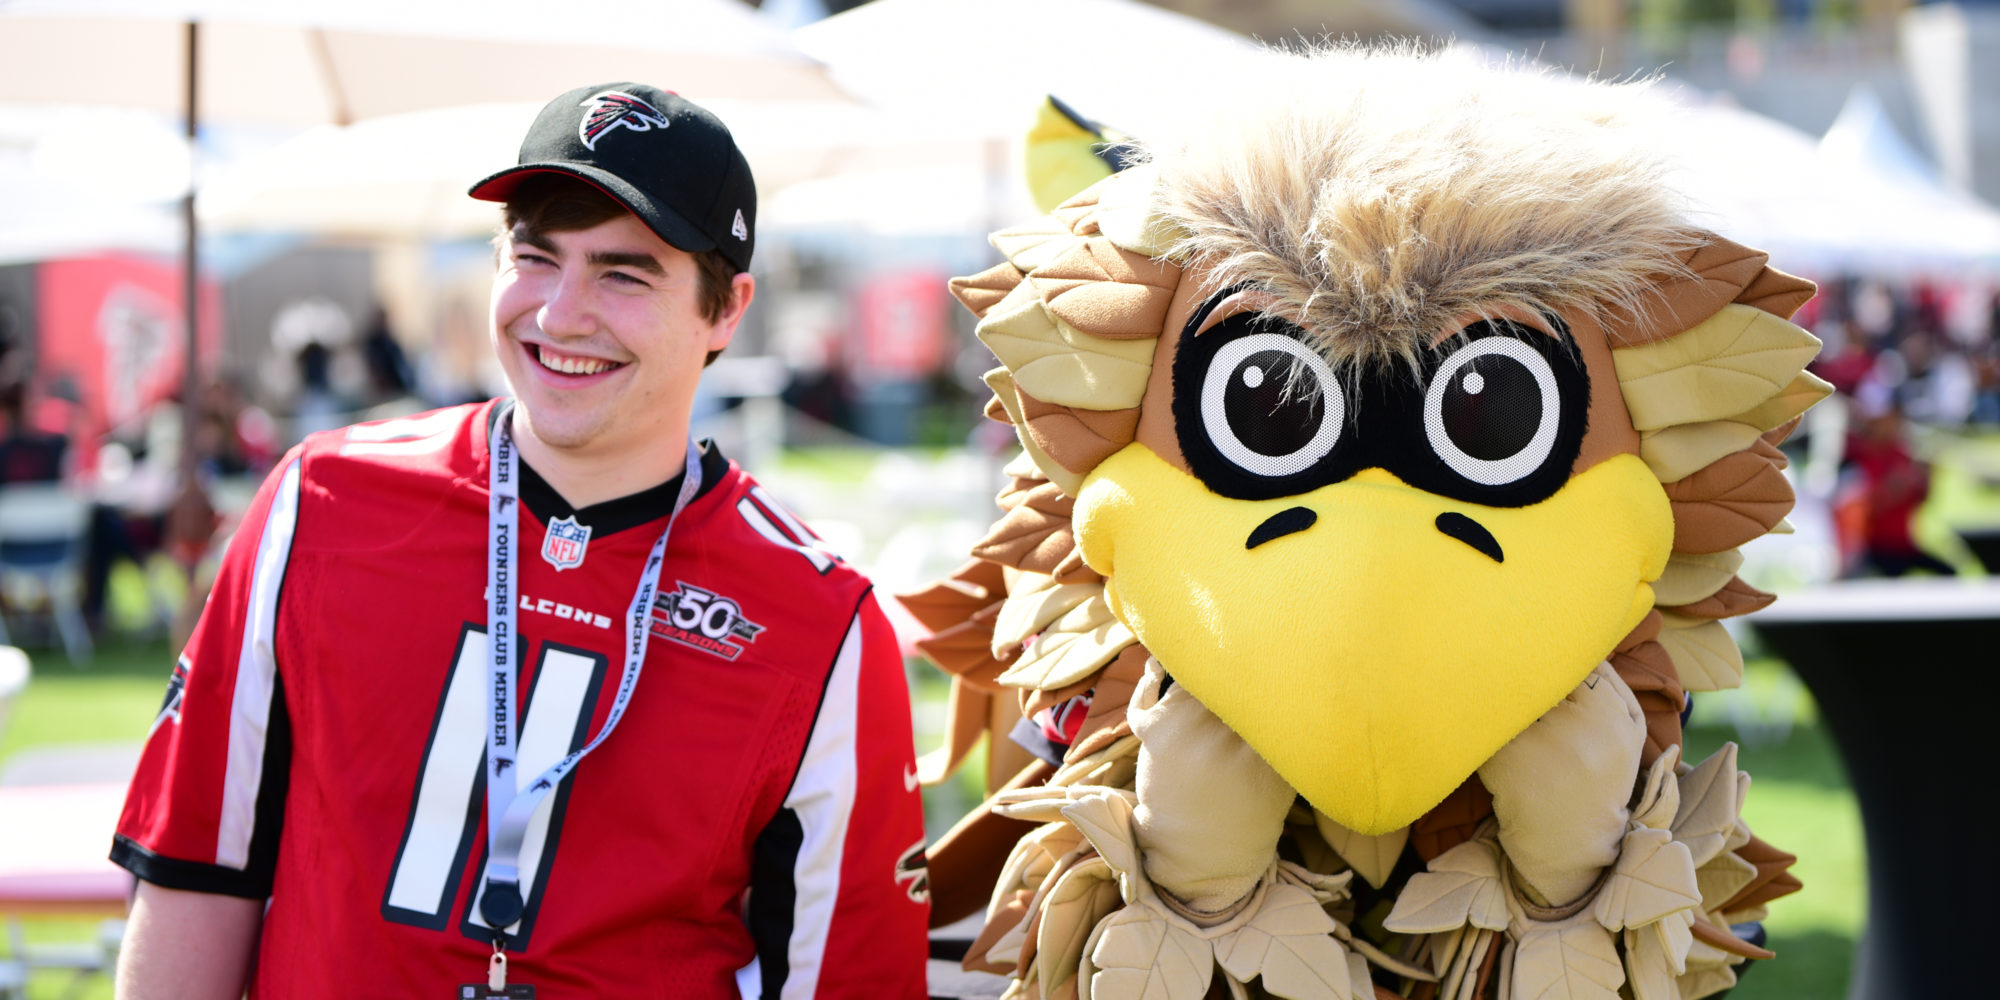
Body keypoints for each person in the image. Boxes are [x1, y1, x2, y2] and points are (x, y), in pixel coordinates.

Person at [110, 82, 931, 998]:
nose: (560, 315)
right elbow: (197, 868)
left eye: (624, 273)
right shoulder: (324, 502)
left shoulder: (819, 623)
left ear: (726, 310)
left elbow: (844, 978)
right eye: (536, 258)